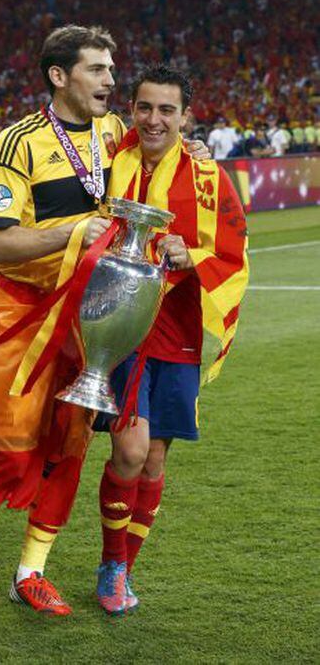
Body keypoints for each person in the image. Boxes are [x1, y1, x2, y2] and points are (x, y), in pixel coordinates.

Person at [0, 25, 209, 616]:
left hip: (89, 316)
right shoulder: (17, 143)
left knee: (67, 448)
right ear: (60, 76)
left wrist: (191, 148)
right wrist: (72, 231)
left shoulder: (115, 132)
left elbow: (162, 145)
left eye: (113, 70)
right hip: (22, 313)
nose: (111, 81)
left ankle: (30, 571)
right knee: (9, 442)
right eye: (98, 70)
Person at [93, 64, 249, 615]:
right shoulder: (112, 157)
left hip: (178, 330)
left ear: (186, 115)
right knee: (131, 450)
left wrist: (194, 255)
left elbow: (234, 252)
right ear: (130, 110)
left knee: (155, 460)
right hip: (121, 327)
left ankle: (121, 569)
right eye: (144, 107)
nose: (154, 119)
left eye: (167, 110)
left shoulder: (208, 178)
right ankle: (112, 564)